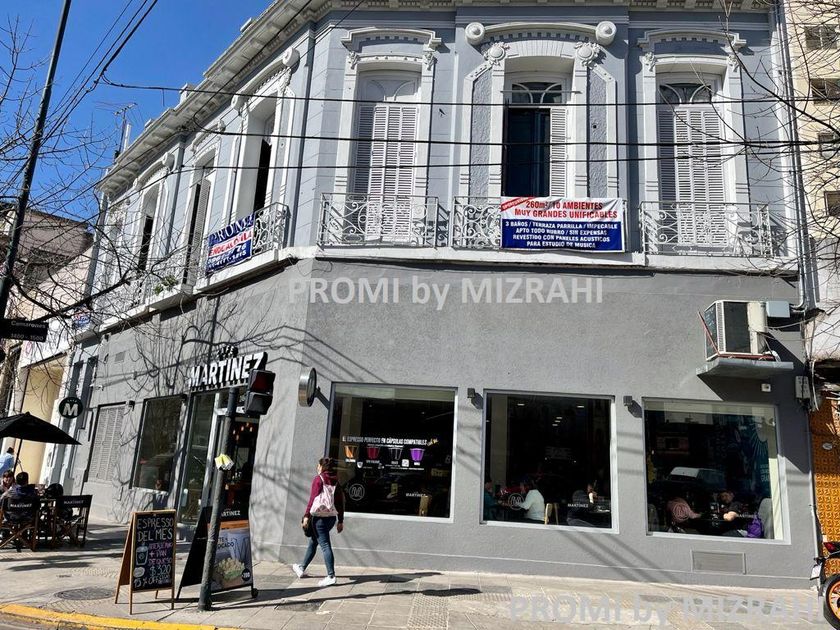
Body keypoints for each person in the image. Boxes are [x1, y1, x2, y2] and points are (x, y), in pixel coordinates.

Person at [292, 457, 345, 587]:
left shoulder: (318, 479)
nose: (317, 467)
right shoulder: (336, 481)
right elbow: (340, 502)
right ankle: (302, 568)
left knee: (325, 545)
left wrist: (306, 516)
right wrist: (340, 520)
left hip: (319, 518)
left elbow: (312, 499)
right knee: (314, 541)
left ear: (322, 467)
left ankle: (331, 576)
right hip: (331, 518)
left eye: (318, 465)